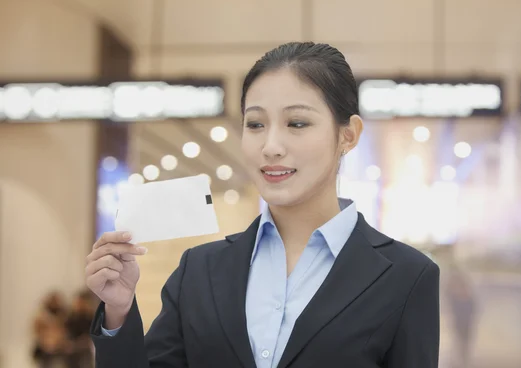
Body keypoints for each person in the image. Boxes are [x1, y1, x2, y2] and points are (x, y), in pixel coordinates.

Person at [86, 42, 440, 368]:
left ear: (347, 134)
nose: (271, 146)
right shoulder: (200, 270)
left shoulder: (407, 277)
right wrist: (119, 310)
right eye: (255, 124)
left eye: (296, 123)